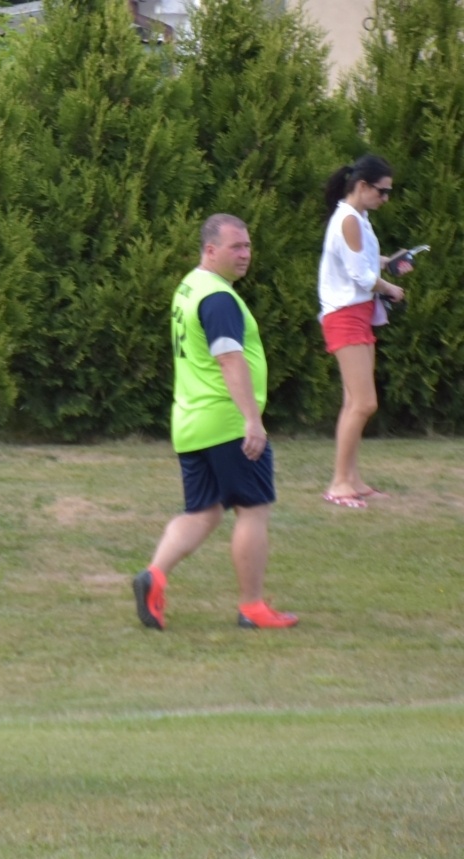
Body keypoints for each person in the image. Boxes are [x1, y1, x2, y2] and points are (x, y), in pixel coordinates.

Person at [132, 214, 297, 631]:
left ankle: (155, 575)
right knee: (253, 510)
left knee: (202, 512)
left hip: (190, 422)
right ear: (210, 250)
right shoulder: (219, 299)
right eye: (235, 247)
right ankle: (252, 606)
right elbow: (228, 358)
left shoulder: (189, 286)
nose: (245, 254)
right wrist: (252, 420)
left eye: (247, 246)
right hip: (226, 422)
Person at [317, 154, 415, 509]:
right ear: (362, 186)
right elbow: (360, 277)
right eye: (382, 191)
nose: (385, 198)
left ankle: (352, 479)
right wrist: (391, 288)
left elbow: (359, 263)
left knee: (353, 402)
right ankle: (339, 483)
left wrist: (390, 261)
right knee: (364, 402)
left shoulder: (359, 218)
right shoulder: (350, 219)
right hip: (345, 314)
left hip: (356, 312)